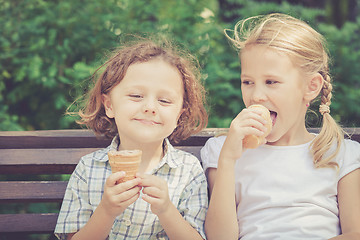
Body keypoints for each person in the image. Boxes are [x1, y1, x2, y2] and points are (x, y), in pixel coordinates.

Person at [201, 13, 360, 240]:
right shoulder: (222, 150)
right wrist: (227, 160)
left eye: (271, 82)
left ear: (311, 87)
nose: (256, 96)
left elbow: (355, 233)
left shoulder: (340, 153)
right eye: (248, 82)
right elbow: (219, 237)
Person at [54, 37, 209, 240]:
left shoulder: (189, 171)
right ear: (109, 105)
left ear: (179, 114)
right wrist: (106, 211)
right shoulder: (89, 168)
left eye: (164, 100)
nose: (150, 107)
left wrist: (166, 211)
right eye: (136, 96)